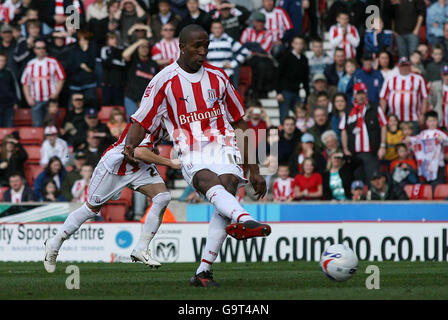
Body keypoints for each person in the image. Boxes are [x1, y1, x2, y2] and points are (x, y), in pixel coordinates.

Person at [122, 24, 271, 287]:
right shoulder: (163, 80)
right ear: (181, 47)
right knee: (207, 181)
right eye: (197, 46)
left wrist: (255, 170)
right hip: (190, 148)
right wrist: (129, 146)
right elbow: (141, 119)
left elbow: (239, 122)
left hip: (224, 145)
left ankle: (203, 273)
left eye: (206, 46)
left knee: (227, 187)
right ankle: (245, 219)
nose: (202, 51)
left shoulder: (219, 77)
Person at [44, 124, 181, 273]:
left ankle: (141, 248)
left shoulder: (167, 117)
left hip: (137, 167)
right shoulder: (151, 115)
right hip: (114, 167)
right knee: (90, 209)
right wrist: (170, 162)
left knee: (163, 197)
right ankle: (54, 243)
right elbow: (140, 152)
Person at [341, 82, 388, 184]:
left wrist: (383, 146)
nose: (361, 96)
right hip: (354, 154)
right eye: (358, 93)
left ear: (366, 94)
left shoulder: (375, 108)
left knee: (373, 180)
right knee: (358, 182)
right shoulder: (348, 110)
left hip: (371, 152)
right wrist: (345, 149)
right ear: (354, 95)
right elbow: (343, 130)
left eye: (363, 93)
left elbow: (383, 126)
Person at [21, 39, 65, 127]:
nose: (41, 50)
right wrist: (28, 98)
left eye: (43, 48)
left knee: (52, 125)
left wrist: (56, 94)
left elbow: (61, 78)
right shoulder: (30, 64)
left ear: (45, 49)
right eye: (38, 48)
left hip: (50, 100)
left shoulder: (53, 62)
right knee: (37, 126)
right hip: (36, 100)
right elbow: (25, 83)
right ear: (34, 50)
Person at [380, 57, 428, 133]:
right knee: (396, 143)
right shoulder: (390, 79)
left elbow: (425, 98)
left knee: (413, 142)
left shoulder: (418, 78)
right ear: (398, 66)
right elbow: (383, 98)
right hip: (395, 120)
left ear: (410, 66)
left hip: (413, 119)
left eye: (406, 65)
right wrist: (382, 115)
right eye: (402, 66)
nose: (404, 68)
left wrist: (422, 114)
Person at [404, 111, 448, 188]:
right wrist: (409, 139)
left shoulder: (440, 133)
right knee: (426, 187)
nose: (432, 123)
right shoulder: (423, 133)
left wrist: (443, 139)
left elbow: (446, 141)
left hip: (438, 165)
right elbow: (416, 141)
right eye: (430, 121)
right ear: (426, 122)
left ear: (437, 121)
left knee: (437, 187)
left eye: (434, 120)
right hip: (425, 166)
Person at [240, 11, 275, 99]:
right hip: (249, 57)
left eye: (262, 22)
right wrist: (257, 45)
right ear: (254, 22)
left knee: (263, 65)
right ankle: (252, 90)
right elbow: (242, 45)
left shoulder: (268, 33)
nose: (260, 24)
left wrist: (250, 45)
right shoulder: (247, 31)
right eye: (258, 21)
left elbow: (264, 49)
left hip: (263, 58)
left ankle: (260, 90)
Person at [207, 19, 250, 89]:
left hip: (227, 74)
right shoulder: (207, 41)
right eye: (215, 28)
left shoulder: (229, 40)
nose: (217, 30)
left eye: (219, 28)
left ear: (222, 29)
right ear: (211, 29)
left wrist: (233, 64)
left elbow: (245, 52)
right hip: (211, 74)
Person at [122, 38, 159, 118]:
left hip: (146, 100)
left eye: (146, 47)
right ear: (137, 48)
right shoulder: (133, 60)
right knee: (132, 123)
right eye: (142, 47)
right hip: (131, 98)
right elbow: (125, 55)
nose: (144, 49)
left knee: (146, 124)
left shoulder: (153, 64)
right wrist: (138, 43)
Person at [276, 35, 309, 123]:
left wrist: (307, 93)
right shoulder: (286, 57)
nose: (299, 46)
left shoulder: (304, 59)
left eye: (301, 43)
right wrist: (278, 92)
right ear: (293, 44)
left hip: (297, 92)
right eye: (297, 43)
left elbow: (305, 78)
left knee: (301, 116)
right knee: (284, 116)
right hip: (285, 92)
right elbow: (278, 75)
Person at [65, 30, 97, 101]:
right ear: (78, 40)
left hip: (89, 83)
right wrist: (81, 66)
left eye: (86, 39)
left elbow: (91, 66)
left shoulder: (92, 50)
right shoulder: (73, 51)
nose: (84, 42)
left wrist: (85, 52)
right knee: (74, 107)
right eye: (82, 39)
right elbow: (70, 66)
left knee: (90, 106)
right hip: (75, 84)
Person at [100, 32, 126, 106]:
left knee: (118, 104)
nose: (113, 40)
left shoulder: (122, 49)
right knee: (106, 104)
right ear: (107, 40)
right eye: (111, 38)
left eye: (115, 38)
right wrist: (113, 51)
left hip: (118, 83)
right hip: (107, 82)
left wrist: (114, 51)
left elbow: (122, 65)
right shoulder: (104, 49)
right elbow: (105, 64)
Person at [0, 52, 20, 128]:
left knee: (8, 127)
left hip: (8, 105)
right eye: (0, 60)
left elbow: (15, 88)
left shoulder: (9, 73)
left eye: (3, 60)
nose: (1, 63)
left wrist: (16, 102)